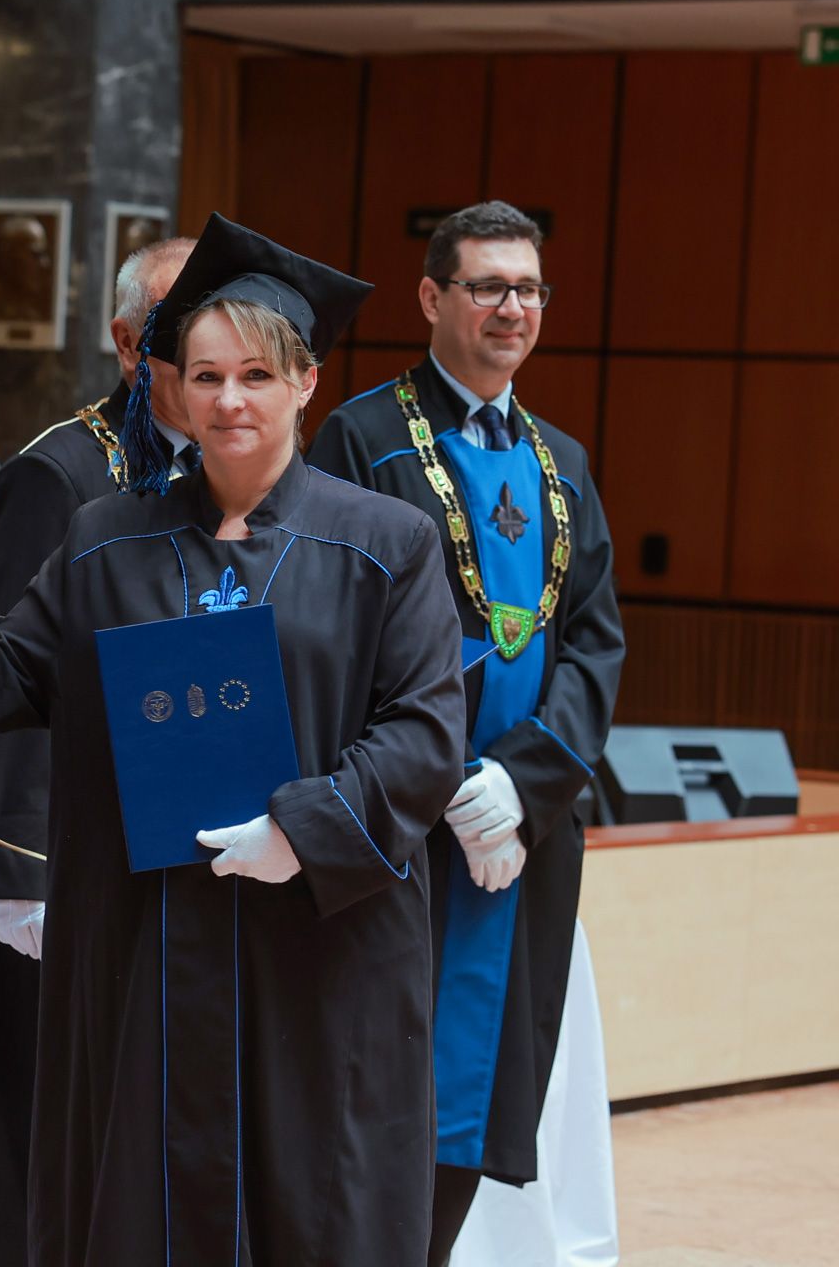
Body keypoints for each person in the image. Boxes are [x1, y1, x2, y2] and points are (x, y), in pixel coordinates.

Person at [0, 213, 468, 1263]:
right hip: (146, 949)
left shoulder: (384, 544)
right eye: (205, 376)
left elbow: (424, 733)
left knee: (311, 1202)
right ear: (171, 382)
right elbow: (12, 674)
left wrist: (302, 828)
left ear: (306, 382)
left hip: (316, 950)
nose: (229, 401)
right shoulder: (107, 539)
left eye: (256, 376)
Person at [307, 200, 624, 1266]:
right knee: (378, 1090)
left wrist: (524, 786)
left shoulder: (563, 460)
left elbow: (595, 643)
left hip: (518, 836)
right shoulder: (361, 439)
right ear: (432, 297)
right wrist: (442, 776)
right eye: (487, 285)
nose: (512, 308)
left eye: (529, 288)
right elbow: (335, 633)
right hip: (405, 825)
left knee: (476, 1100)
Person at [0, 233, 193, 1267]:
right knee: (35, 1130)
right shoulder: (61, 472)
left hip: (175, 846)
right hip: (62, 860)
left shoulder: (233, 469)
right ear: (129, 344)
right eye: (181, 329)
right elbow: (8, 675)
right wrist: (16, 862)